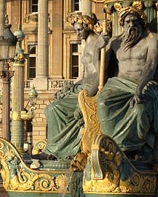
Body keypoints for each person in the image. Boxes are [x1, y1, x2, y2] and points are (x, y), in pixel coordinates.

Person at [97, 5, 158, 160]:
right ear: (122, 24)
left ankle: (137, 148)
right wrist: (97, 47)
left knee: (139, 109)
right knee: (103, 102)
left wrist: (139, 89)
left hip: (144, 84)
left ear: (142, 22)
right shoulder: (115, 42)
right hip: (119, 84)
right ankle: (111, 144)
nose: (131, 25)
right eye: (127, 22)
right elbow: (100, 68)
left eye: (135, 21)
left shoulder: (153, 39)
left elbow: (151, 65)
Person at [43, 13, 109, 159]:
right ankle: (57, 147)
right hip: (84, 86)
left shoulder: (99, 42)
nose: (77, 33)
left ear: (88, 26)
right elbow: (86, 76)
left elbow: (101, 73)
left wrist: (87, 99)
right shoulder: (87, 45)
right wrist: (70, 87)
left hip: (91, 89)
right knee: (50, 107)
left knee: (55, 108)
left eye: (79, 29)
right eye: (76, 30)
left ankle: (55, 150)